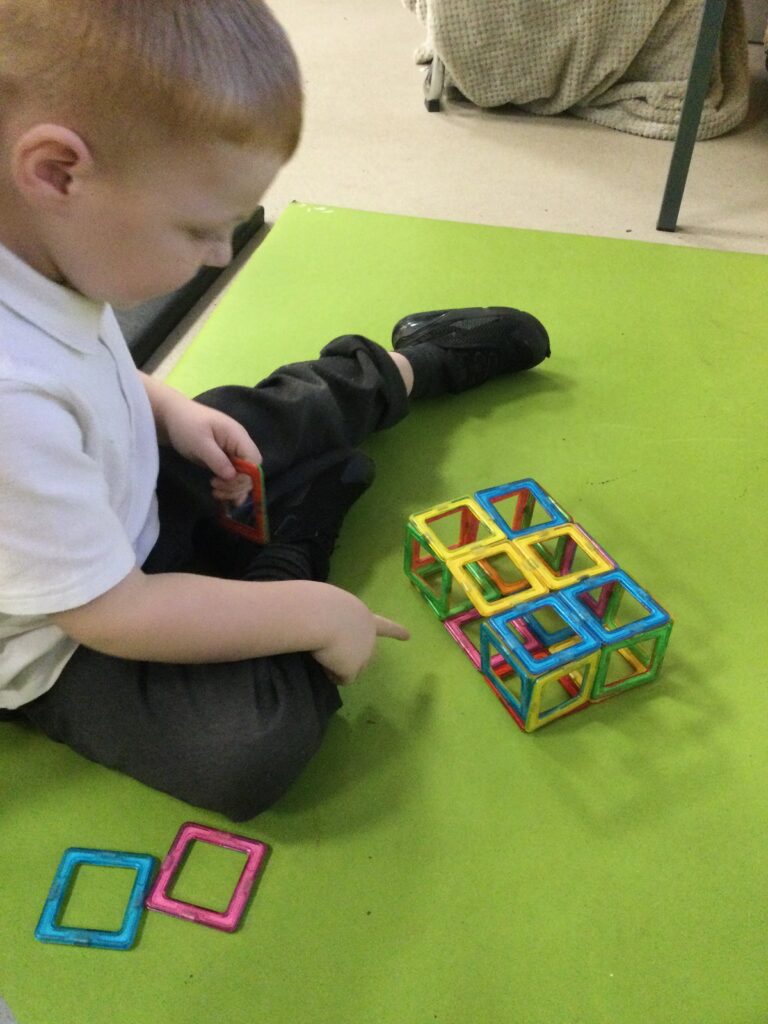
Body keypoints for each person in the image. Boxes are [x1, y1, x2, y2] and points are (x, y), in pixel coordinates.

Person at [0, 0, 550, 821]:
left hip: (116, 505)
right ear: (56, 173)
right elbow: (113, 615)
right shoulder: (9, 401)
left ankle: (409, 366)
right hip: (62, 637)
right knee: (250, 747)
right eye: (198, 230)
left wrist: (166, 405)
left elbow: (81, 360)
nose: (220, 254)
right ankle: (298, 540)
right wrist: (315, 612)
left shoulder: (43, 235)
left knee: (249, 426)